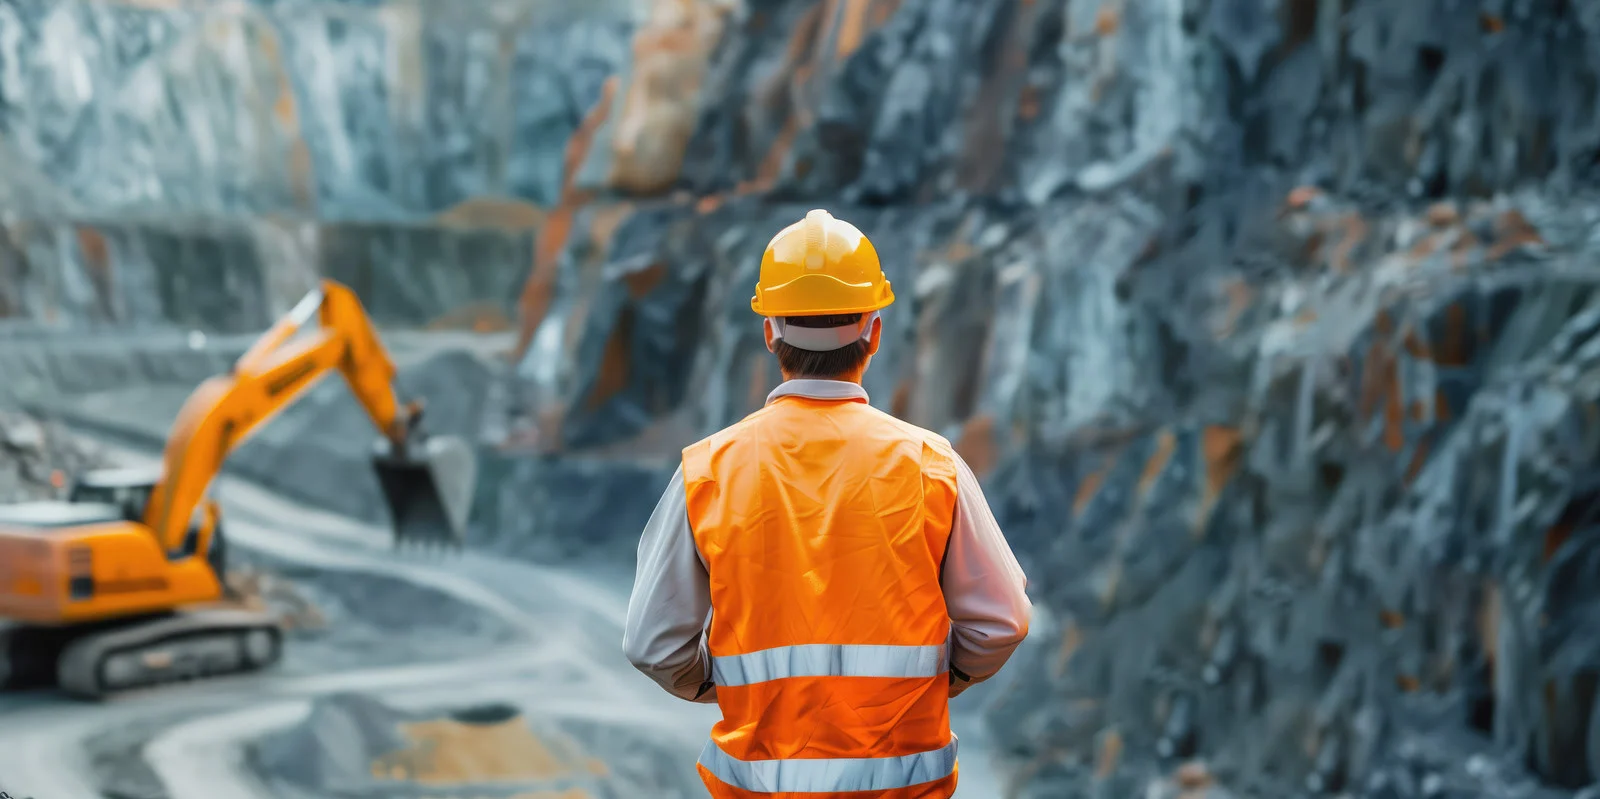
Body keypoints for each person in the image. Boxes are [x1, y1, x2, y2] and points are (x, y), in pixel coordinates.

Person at [623, 209, 1032, 798]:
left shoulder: (707, 470)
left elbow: (652, 644)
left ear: (770, 332)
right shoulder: (929, 465)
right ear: (874, 330)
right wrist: (940, 677)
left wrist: (730, 686)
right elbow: (1002, 622)